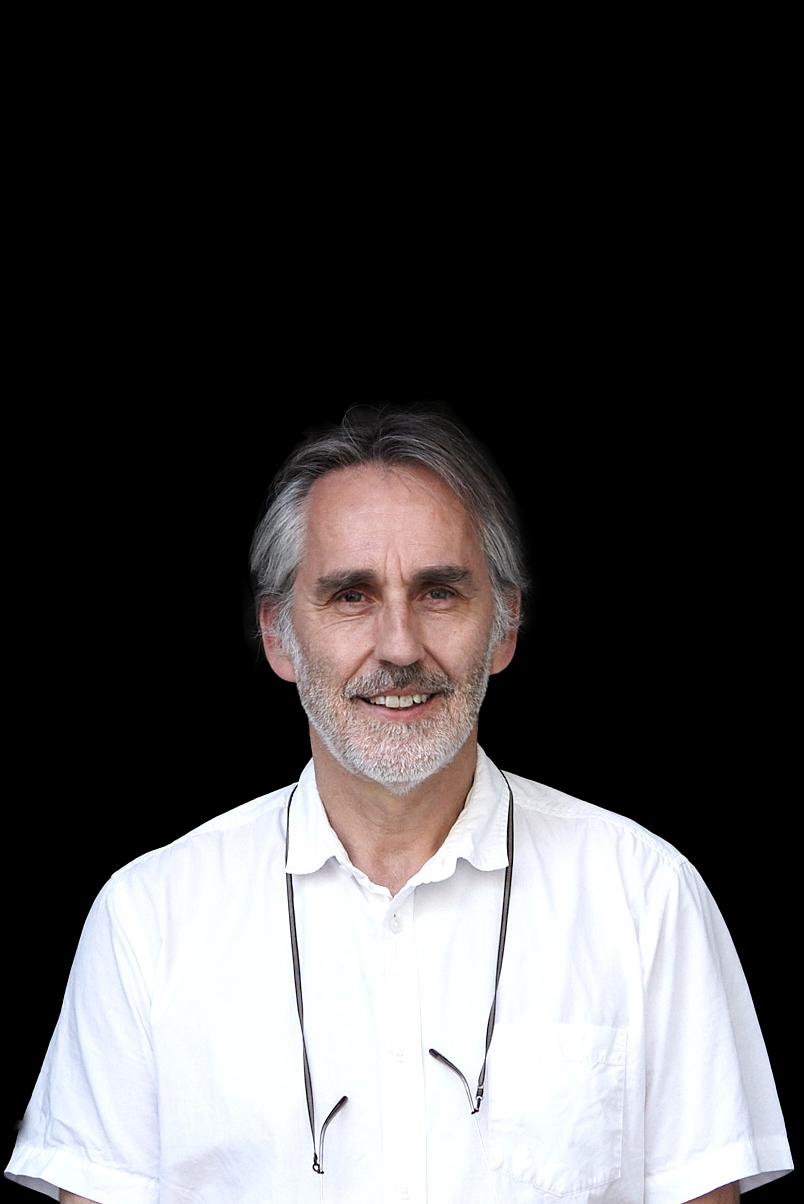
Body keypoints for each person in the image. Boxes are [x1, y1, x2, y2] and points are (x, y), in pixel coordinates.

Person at [5, 403, 793, 1203]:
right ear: (278, 635)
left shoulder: (647, 899)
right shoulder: (149, 921)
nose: (400, 647)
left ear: (506, 625)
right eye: (351, 596)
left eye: (439, 592)